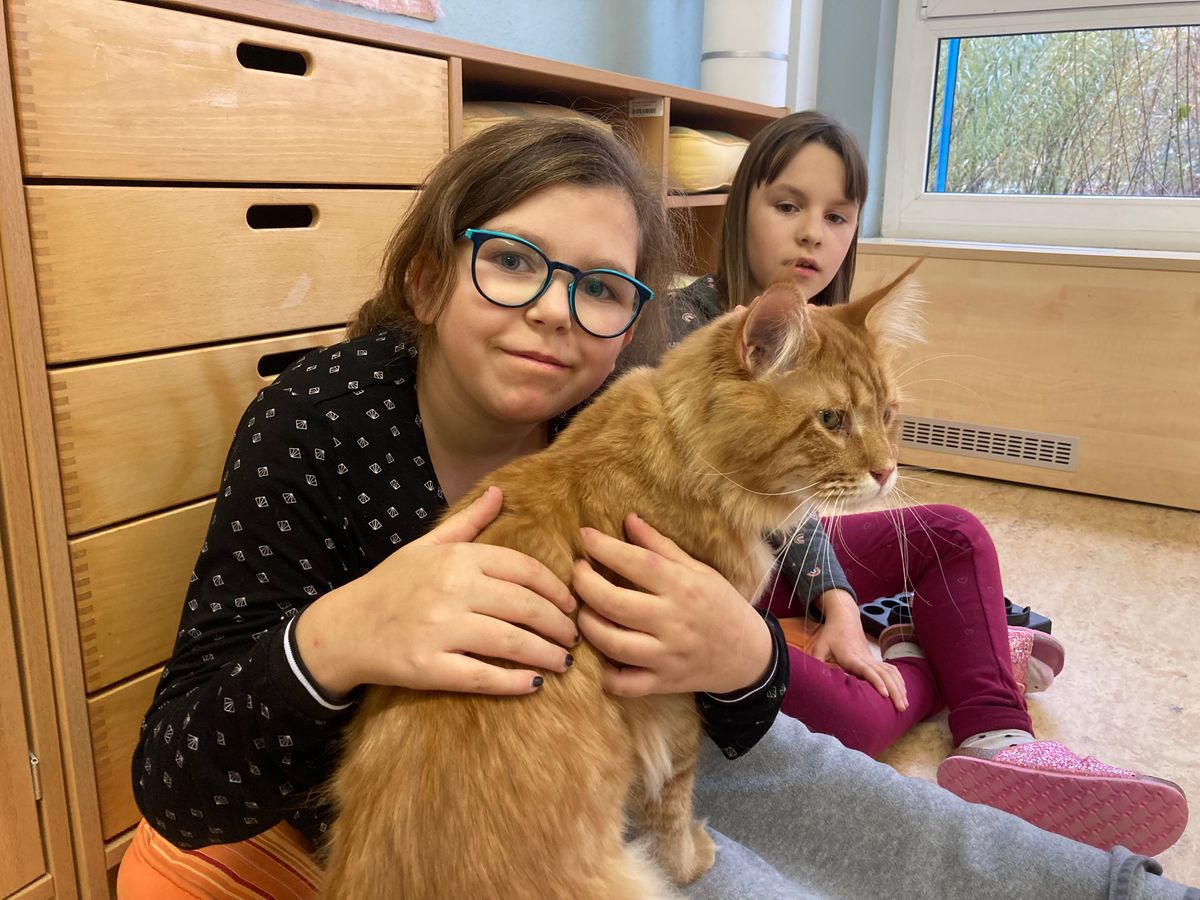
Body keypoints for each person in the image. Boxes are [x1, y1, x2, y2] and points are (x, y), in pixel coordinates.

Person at [119, 118, 1197, 900]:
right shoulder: (318, 422)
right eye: (508, 261)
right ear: (424, 276)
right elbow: (178, 789)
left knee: (827, 779)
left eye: (599, 287)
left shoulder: (612, 403)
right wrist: (339, 635)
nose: (552, 312)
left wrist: (746, 654)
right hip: (478, 804)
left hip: (648, 724)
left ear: (633, 313)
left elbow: (734, 701)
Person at [622, 109, 1190, 856]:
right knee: (856, 718)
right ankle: (939, 653)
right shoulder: (680, 324)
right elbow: (722, 504)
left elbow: (810, 502)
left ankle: (997, 734)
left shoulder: (843, 332)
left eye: (837, 215)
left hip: (789, 548)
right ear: (739, 208)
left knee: (954, 529)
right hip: (703, 572)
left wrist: (841, 606)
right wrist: (839, 607)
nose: (811, 235)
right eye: (787, 206)